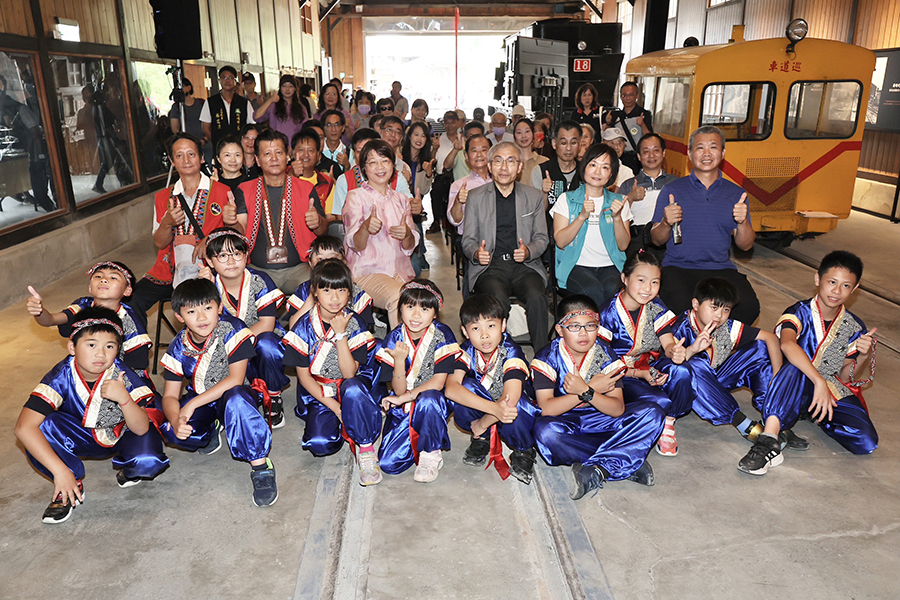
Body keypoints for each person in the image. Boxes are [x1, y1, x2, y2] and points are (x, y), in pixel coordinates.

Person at [15, 308, 169, 524]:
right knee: (40, 428)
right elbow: (23, 427)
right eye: (91, 345)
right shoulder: (61, 375)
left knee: (148, 461)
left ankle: (128, 466)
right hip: (81, 435)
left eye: (110, 346)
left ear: (118, 349)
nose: (100, 354)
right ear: (72, 346)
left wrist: (124, 398)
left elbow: (141, 428)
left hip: (122, 434)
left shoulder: (122, 373)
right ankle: (70, 483)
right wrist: (60, 472)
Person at [739, 251, 879, 475]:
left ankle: (811, 415)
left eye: (845, 286)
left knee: (865, 442)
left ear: (855, 289)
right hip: (790, 382)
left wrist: (862, 355)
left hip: (828, 386)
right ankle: (769, 441)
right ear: (818, 279)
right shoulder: (798, 312)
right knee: (794, 365)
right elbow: (786, 345)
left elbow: (844, 378)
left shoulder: (854, 326)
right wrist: (818, 380)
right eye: (832, 282)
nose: (836, 291)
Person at [531, 295, 664, 500]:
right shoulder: (546, 357)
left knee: (653, 412)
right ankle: (626, 459)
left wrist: (587, 393)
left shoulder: (605, 354)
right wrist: (590, 388)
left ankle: (601, 469)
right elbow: (547, 409)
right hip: (566, 423)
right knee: (545, 433)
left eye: (591, 326)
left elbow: (617, 408)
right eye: (574, 326)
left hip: (603, 420)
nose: (583, 333)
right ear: (559, 329)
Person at [158, 279, 277, 507]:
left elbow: (236, 379)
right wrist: (175, 419)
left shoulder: (233, 329)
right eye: (192, 311)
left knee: (237, 401)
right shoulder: (177, 346)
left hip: (237, 393)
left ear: (219, 308)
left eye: (208, 308)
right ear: (179, 316)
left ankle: (261, 466)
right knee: (173, 432)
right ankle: (211, 427)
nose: (202, 317)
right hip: (203, 398)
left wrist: (191, 405)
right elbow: (170, 397)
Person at [282, 259, 380, 484]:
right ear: (314, 292)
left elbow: (349, 374)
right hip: (319, 390)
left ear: (349, 293)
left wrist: (340, 334)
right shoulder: (303, 326)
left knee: (353, 389)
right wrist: (335, 407)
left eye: (341, 290)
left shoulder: (354, 323)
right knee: (319, 443)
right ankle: (346, 419)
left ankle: (365, 448)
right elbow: (304, 377)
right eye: (326, 290)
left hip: (349, 385)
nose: (334, 298)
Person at [650, 125, 760, 324]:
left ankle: (721, 348)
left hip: (720, 269)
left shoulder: (736, 194)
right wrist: (666, 222)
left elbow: (746, 245)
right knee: (680, 306)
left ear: (723, 153)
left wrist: (742, 222)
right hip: (678, 267)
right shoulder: (672, 190)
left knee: (748, 306)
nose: (707, 153)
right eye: (700, 147)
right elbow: (656, 240)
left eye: (713, 147)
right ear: (690, 153)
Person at [672, 277, 798, 448]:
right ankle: (742, 423)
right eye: (714, 307)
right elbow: (668, 368)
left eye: (726, 309)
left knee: (761, 347)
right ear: (695, 304)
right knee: (692, 365)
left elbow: (770, 338)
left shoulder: (726, 326)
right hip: (688, 387)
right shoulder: (679, 327)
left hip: (716, 379)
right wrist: (693, 349)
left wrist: (777, 379)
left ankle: (773, 416)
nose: (719, 315)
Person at [129, 133, 240, 323]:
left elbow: (236, 235)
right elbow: (159, 242)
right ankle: (138, 349)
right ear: (172, 161)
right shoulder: (163, 197)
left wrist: (213, 236)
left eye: (191, 154)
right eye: (179, 155)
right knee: (131, 303)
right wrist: (167, 223)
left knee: (208, 302)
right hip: (170, 270)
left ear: (201, 157)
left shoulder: (222, 192)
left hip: (210, 269)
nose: (186, 160)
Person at [595, 250, 694, 457]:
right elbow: (602, 364)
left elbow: (666, 341)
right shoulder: (606, 314)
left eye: (655, 282)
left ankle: (668, 422)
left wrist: (674, 351)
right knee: (660, 402)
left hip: (650, 367)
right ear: (624, 278)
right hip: (622, 376)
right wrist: (638, 373)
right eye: (641, 280)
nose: (648, 289)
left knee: (682, 370)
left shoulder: (656, 306)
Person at [462, 141, 550, 350]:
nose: (504, 167)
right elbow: (468, 240)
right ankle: (502, 355)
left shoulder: (534, 196)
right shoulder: (476, 197)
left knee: (537, 297)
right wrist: (476, 253)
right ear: (490, 166)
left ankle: (542, 359)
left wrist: (528, 251)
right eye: (498, 161)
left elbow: (541, 238)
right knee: (497, 300)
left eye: (511, 161)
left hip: (524, 266)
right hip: (490, 267)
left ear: (519, 168)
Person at [198, 228, 288, 428]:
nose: (231, 261)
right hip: (225, 351)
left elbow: (267, 324)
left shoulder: (260, 280)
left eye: (237, 254)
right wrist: (203, 291)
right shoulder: (208, 284)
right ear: (210, 262)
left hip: (258, 345)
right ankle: (221, 403)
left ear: (246, 257)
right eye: (222, 256)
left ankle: (273, 395)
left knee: (268, 343)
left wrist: (236, 342)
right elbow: (200, 326)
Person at [445, 294, 540, 484]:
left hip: (515, 413)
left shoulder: (512, 351)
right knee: (464, 388)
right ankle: (483, 439)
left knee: (516, 405)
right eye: (475, 328)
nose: (484, 335)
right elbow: (450, 389)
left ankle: (523, 449)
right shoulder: (465, 350)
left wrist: (482, 422)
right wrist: (494, 411)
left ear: (503, 325)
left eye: (491, 326)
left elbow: (509, 400)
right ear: (465, 331)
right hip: (491, 409)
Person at [374, 279, 459, 482]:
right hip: (404, 403)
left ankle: (431, 452)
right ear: (400, 309)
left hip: (432, 402)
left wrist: (404, 398)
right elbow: (397, 387)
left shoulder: (442, 334)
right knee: (388, 464)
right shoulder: (394, 338)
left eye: (425, 309)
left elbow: (439, 382)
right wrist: (399, 361)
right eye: (410, 307)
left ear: (435, 313)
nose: (416, 315)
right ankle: (425, 435)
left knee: (429, 399)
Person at [233, 128, 328, 295]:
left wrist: (318, 223)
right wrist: (230, 222)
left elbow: (323, 231)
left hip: (298, 269)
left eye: (278, 152)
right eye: (267, 154)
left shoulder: (305, 188)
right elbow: (239, 231)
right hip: (258, 270)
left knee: (316, 295)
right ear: (257, 160)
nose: (274, 158)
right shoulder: (245, 189)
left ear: (287, 156)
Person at [342, 139, 419, 329]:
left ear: (393, 165)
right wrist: (366, 228)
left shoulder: (402, 200)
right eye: (372, 162)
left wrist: (407, 234)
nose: (380, 167)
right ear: (363, 169)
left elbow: (410, 247)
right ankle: (399, 353)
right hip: (367, 272)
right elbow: (354, 244)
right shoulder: (356, 197)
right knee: (399, 298)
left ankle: (417, 352)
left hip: (400, 272)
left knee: (422, 300)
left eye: (385, 161)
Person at [26, 261, 151, 379]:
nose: (104, 279)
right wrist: (39, 311)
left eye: (113, 277)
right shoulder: (82, 305)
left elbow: (135, 366)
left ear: (127, 290)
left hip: (120, 376)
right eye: (98, 276)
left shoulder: (131, 322)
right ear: (90, 287)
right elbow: (51, 320)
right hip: (85, 369)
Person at [552, 144, 632, 306]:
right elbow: (560, 241)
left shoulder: (619, 201)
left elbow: (623, 246)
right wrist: (582, 216)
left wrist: (617, 218)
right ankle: (603, 330)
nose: (597, 172)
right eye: (593, 165)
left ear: (612, 174)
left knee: (613, 290)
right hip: (576, 265)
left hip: (610, 266)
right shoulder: (567, 199)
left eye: (605, 167)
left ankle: (603, 330)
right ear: (584, 167)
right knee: (592, 290)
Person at [332, 128, 411, 239]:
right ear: (354, 153)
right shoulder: (344, 180)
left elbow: (409, 202)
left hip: (394, 237)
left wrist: (415, 205)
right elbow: (339, 217)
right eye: (360, 151)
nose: (365, 155)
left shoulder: (395, 176)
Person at [285, 235, 375, 332]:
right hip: (311, 343)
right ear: (310, 264)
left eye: (333, 258)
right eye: (320, 259)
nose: (326, 263)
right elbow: (292, 328)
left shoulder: (355, 291)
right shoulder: (305, 289)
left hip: (347, 341)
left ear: (344, 262)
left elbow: (364, 331)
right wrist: (312, 297)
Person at [617, 133, 678, 256]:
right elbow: (616, 215)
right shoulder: (628, 184)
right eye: (646, 152)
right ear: (639, 156)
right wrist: (631, 198)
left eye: (656, 150)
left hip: (669, 237)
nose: (651, 156)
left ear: (663, 153)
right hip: (638, 239)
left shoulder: (676, 183)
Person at [290, 129, 337, 230]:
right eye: (301, 150)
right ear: (293, 153)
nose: (306, 155)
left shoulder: (326, 183)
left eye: (311, 150)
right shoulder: (281, 177)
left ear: (318, 156)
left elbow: (330, 219)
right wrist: (291, 176)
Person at [200, 66, 255, 152]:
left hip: (240, 148)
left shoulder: (244, 103)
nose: (227, 80)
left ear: (235, 81)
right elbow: (205, 128)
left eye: (230, 78)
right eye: (224, 77)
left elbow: (251, 126)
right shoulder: (211, 102)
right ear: (220, 80)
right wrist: (216, 141)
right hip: (219, 148)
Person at [447, 133, 492, 236]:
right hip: (471, 241)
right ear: (467, 156)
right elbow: (455, 220)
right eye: (474, 151)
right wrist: (458, 201)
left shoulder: (501, 182)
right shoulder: (458, 185)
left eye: (484, 150)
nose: (479, 154)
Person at [532, 120, 582, 210]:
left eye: (573, 143)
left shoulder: (586, 171)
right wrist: (544, 193)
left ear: (580, 145)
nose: (568, 148)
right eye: (563, 143)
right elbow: (538, 212)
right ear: (554, 144)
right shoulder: (541, 170)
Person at [430, 110, 464, 234]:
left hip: (459, 175)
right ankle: (435, 222)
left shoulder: (463, 139)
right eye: (447, 123)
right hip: (443, 176)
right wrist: (434, 149)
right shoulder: (439, 139)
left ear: (458, 123)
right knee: (436, 190)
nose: (450, 126)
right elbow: (431, 160)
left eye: (453, 122)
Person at [253, 74, 307, 144]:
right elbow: (257, 117)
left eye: (290, 86)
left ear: (295, 89)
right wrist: (270, 100)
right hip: (276, 145)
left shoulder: (301, 108)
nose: (287, 89)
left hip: (294, 146)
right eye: (284, 86)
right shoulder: (273, 106)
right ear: (280, 88)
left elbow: (305, 130)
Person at [603, 81, 652, 153]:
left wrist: (642, 125)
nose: (627, 98)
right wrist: (608, 123)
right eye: (624, 95)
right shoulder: (615, 115)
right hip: (619, 154)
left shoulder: (644, 114)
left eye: (631, 95)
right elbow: (606, 138)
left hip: (636, 156)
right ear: (620, 96)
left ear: (637, 95)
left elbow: (649, 138)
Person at [167, 77, 207, 153]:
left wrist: (205, 139)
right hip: (187, 146)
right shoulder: (177, 107)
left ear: (189, 88)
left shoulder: (202, 103)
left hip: (205, 144)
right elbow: (175, 129)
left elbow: (209, 124)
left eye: (182, 87)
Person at [513, 118, 548, 185]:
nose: (523, 136)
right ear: (514, 137)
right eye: (519, 132)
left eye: (527, 131)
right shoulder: (510, 162)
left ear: (533, 134)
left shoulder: (544, 161)